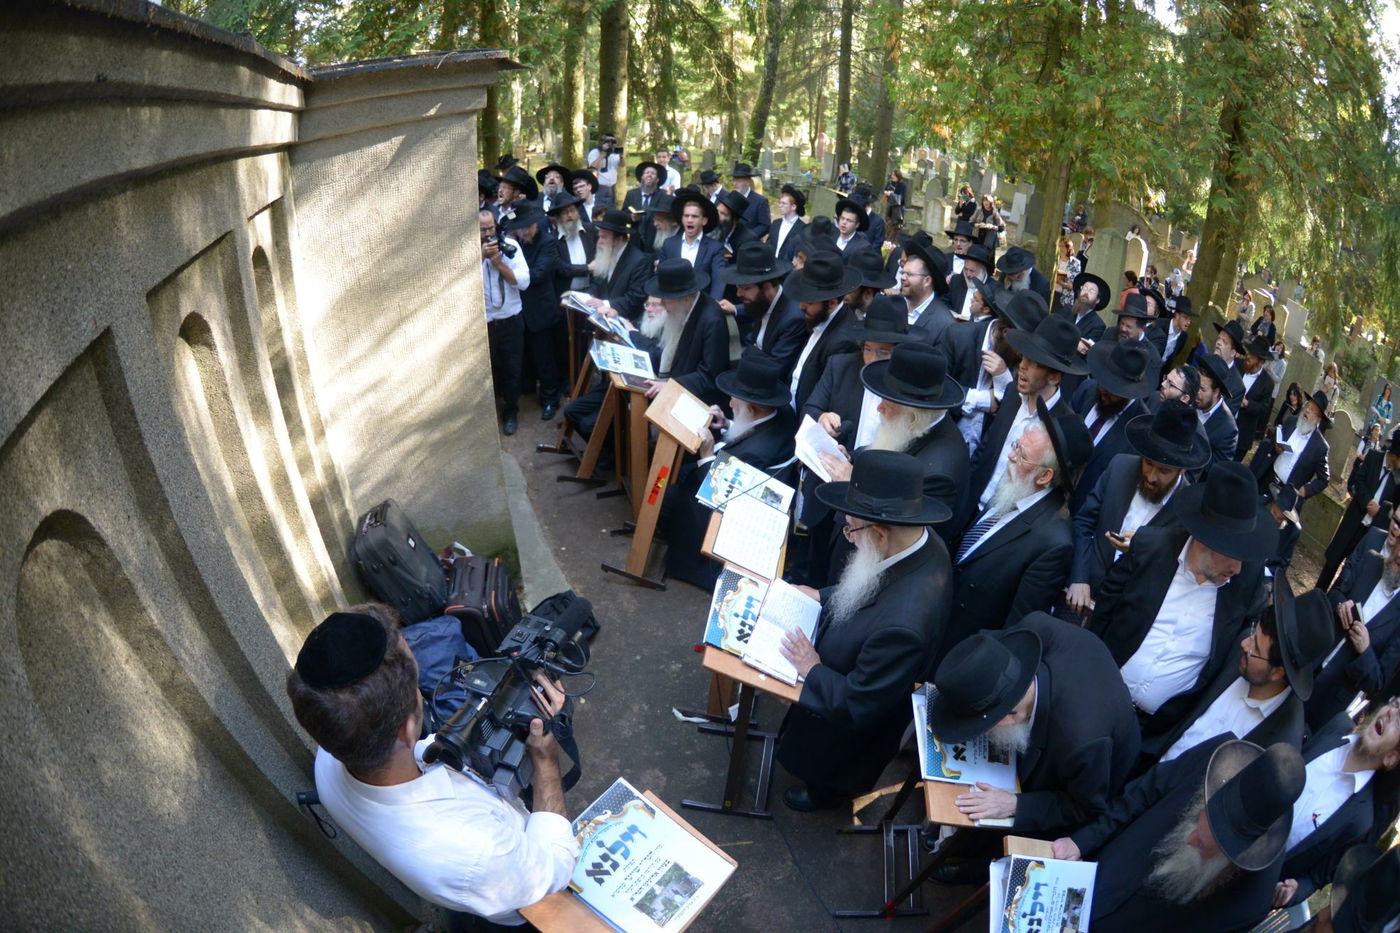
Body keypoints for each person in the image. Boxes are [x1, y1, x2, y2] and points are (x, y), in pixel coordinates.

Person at [286, 608, 578, 928]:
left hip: (462, 884)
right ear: (409, 729)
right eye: (416, 683)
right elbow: (556, 866)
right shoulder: (476, 852)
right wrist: (545, 758)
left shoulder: (329, 756)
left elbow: (422, 752)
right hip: (518, 904)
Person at [776, 449, 953, 810]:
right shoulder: (920, 541)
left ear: (881, 534)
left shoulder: (904, 625)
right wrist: (822, 595)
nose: (849, 537)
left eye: (851, 528)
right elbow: (868, 585)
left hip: (849, 732)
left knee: (829, 770)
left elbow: (859, 703)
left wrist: (812, 668)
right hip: (852, 655)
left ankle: (825, 795)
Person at [1088, 462, 1273, 759]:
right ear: (1205, 538)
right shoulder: (1150, 548)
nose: (1238, 569)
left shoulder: (1245, 589)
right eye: (1233, 555)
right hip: (1095, 699)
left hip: (1149, 736)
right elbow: (1102, 617)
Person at [1051, 740, 1306, 931]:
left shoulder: (1248, 907)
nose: (1189, 839)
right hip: (1086, 880)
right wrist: (1082, 841)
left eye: (1204, 846)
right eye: (1196, 820)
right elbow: (1139, 796)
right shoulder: (1212, 758)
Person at [928, 613, 1139, 841]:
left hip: (1099, 767)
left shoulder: (1081, 743)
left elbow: (1083, 807)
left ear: (1007, 719)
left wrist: (1015, 804)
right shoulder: (1034, 627)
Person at [946, 402, 1088, 649]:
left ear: (1044, 477)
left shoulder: (1054, 543)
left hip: (962, 647)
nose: (1011, 457)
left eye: (1022, 455)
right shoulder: (1013, 488)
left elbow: (1015, 627)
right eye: (1016, 446)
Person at [1158, 582, 1336, 765]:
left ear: (1277, 673)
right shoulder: (1242, 652)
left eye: (1255, 649)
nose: (1245, 644)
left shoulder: (1279, 742)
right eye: (1253, 633)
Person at [660, 352, 796, 588]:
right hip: (745, 484)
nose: (730, 403)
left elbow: (720, 496)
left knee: (667, 495)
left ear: (752, 408)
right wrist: (727, 424)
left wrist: (706, 454)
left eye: (735, 402)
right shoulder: (780, 413)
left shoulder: (756, 452)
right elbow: (750, 429)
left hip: (733, 513)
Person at [1066, 401, 1208, 615]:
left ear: (1182, 469)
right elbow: (1084, 522)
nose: (1151, 477)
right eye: (1148, 463)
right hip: (1079, 595)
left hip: (1123, 612)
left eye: (1163, 470)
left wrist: (1141, 550)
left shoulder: (1186, 511)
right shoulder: (1119, 467)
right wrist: (1079, 577)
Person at [959, 314, 1087, 535]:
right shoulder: (1011, 393)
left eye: (1034, 363)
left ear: (1054, 377)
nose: (1022, 367)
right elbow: (985, 451)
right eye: (1023, 358)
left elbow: (1053, 501)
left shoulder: (1064, 429)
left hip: (1003, 530)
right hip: (971, 510)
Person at [1273, 701, 1400, 912]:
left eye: (1399, 722)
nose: (1391, 713)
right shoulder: (1336, 725)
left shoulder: (1360, 819)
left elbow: (1316, 878)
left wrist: (1295, 890)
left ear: (1390, 758)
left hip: (1251, 886)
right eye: (1395, 706)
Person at [1309, 529, 1400, 731]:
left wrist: (1365, 650)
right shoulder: (1370, 562)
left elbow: (1376, 683)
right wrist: (1340, 605)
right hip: (1308, 662)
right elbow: (1335, 592)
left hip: (1329, 702)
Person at [1067, 340, 1160, 513]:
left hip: (1083, 513)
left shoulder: (1140, 429)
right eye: (1104, 382)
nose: (1104, 390)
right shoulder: (1087, 390)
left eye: (1113, 389)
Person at [501, 205, 561, 423]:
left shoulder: (548, 243)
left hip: (540, 310)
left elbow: (536, 276)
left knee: (544, 358)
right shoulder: (516, 244)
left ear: (535, 224)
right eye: (520, 229)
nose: (524, 232)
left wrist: (514, 276)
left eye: (527, 228)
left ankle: (550, 399)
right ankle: (526, 389)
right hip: (520, 310)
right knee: (523, 356)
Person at [784, 251, 862, 413]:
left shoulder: (843, 342)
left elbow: (825, 399)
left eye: (809, 301)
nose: (801, 306)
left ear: (832, 302)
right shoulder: (820, 318)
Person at [1319, 437, 1400, 590]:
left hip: (1369, 531)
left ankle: (1332, 600)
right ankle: (1317, 594)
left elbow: (1395, 508)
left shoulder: (1398, 478)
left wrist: (1380, 511)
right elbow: (1358, 480)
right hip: (1354, 521)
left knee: (1350, 570)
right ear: (1394, 456)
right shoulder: (1374, 457)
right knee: (1333, 561)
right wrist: (1367, 501)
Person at [717, 241, 806, 379]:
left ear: (767, 287)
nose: (738, 294)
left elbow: (774, 368)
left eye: (745, 288)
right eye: (738, 287)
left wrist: (752, 352)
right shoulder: (760, 303)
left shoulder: (793, 318)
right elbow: (752, 341)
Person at [480, 209, 531, 436]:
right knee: (487, 372)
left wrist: (499, 263)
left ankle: (511, 411)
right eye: (483, 230)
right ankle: (486, 416)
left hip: (510, 320)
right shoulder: (469, 251)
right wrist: (481, 256)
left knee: (512, 369)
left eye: (491, 228)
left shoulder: (511, 246)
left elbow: (523, 282)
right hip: (483, 324)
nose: (488, 234)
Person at [1250, 389, 1332, 516]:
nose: (1307, 410)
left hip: (1285, 494)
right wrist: (1276, 446)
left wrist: (1306, 490)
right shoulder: (1292, 421)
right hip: (1268, 478)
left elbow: (1324, 479)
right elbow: (1275, 439)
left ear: (1318, 419)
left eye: (1312, 410)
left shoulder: (1320, 446)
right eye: (1307, 406)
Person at [658, 189, 725, 300]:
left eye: (694, 216)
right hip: (672, 304)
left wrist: (713, 306)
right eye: (686, 216)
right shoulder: (669, 244)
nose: (689, 220)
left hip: (702, 305)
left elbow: (718, 281)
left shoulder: (715, 248)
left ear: (704, 221)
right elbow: (660, 277)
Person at [1197, 353, 1243, 475]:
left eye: (1202, 389)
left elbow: (1216, 471)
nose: (1196, 393)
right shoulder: (1189, 400)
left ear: (1216, 392)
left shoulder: (1228, 430)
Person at [1234, 335, 1277, 460]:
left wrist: (1248, 404)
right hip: (1221, 424)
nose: (1248, 357)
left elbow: (1264, 408)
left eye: (1252, 357)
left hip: (1242, 434)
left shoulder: (1267, 383)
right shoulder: (1237, 365)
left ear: (1261, 362)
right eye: (1249, 354)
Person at [767, 183, 807, 262]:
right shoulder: (776, 223)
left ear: (793, 207)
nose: (780, 205)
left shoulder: (802, 228)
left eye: (784, 203)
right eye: (780, 202)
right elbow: (768, 244)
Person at [729, 163, 770, 238]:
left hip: (748, 245)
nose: (735, 184)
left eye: (739, 181)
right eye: (734, 180)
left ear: (748, 182)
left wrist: (748, 237)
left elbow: (765, 226)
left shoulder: (760, 201)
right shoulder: (729, 198)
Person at [585, 132, 623, 208]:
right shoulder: (595, 152)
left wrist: (621, 156)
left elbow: (622, 165)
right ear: (602, 142)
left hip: (612, 188)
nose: (610, 144)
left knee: (611, 211)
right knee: (599, 209)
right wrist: (602, 155)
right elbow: (592, 168)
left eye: (612, 142)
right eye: (607, 141)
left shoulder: (614, 154)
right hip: (599, 187)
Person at [1053, 236, 1082, 310]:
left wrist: (1060, 282)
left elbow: (1075, 286)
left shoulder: (1075, 263)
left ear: (1069, 248)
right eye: (1059, 246)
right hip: (1050, 292)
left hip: (1064, 298)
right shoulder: (1054, 259)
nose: (1060, 248)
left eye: (1063, 246)